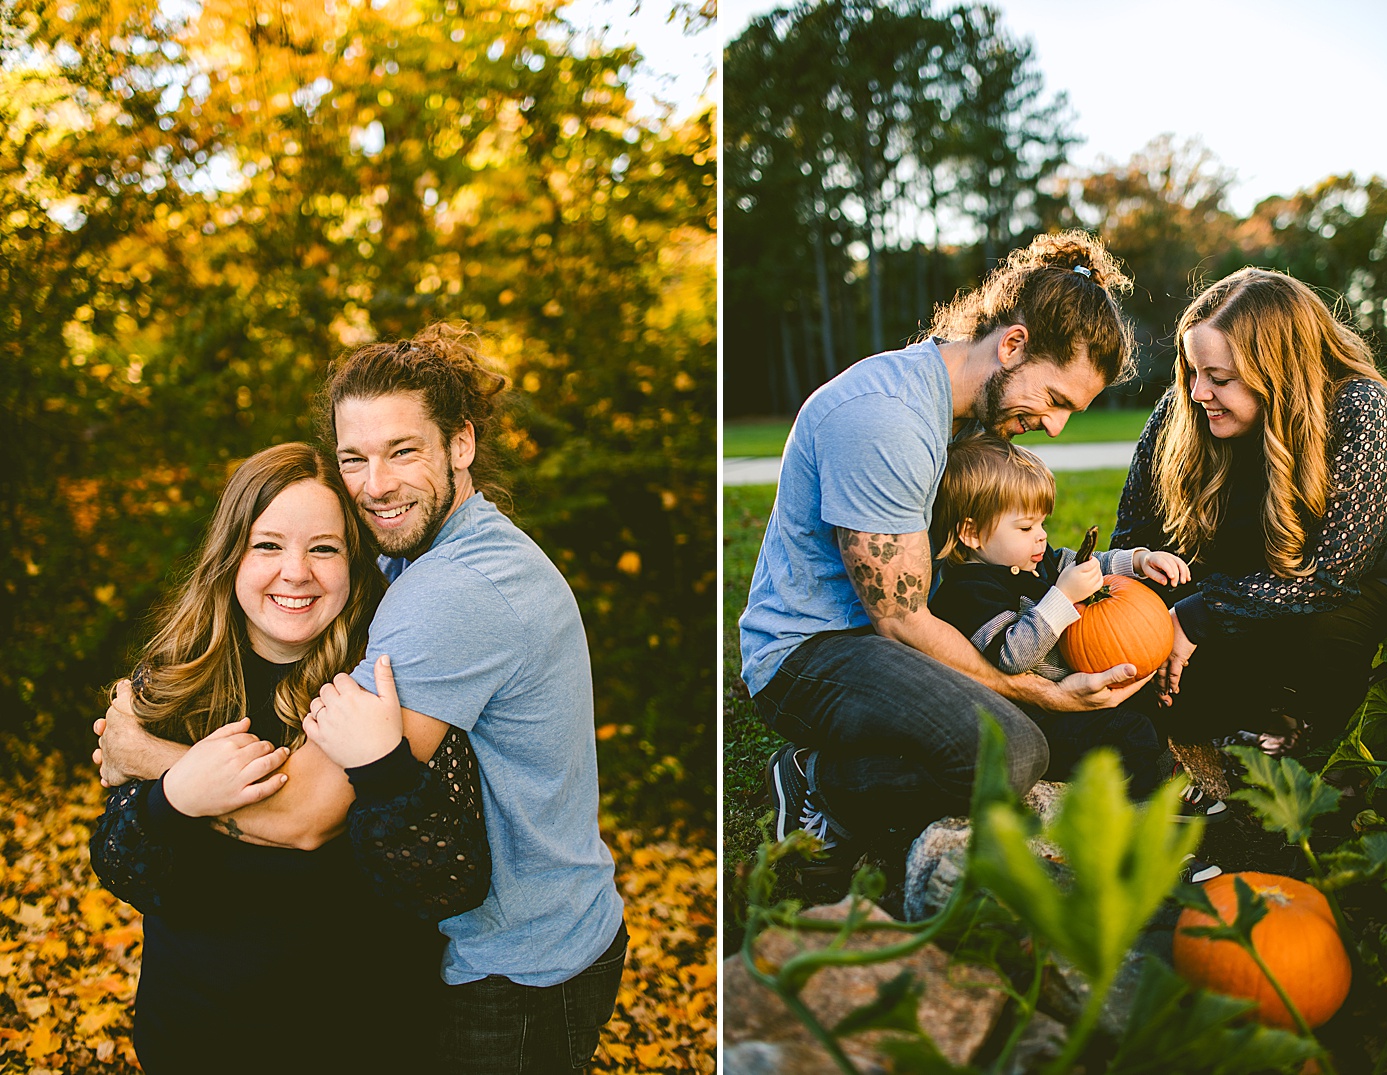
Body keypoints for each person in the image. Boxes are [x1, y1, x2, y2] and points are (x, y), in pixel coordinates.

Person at [98, 324, 626, 1074]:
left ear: (461, 444)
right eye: (355, 457)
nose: (376, 482)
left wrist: (146, 759)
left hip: (515, 963)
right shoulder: (415, 560)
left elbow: (306, 815)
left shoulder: (447, 593)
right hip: (526, 930)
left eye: (403, 451)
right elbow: (128, 859)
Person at [739, 230, 1148, 866]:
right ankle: (815, 778)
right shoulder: (887, 418)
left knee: (1069, 730)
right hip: (813, 651)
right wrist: (1042, 693)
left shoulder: (966, 420)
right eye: (1055, 399)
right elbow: (901, 622)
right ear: (1013, 345)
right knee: (1013, 753)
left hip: (888, 639)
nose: (1057, 426)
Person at [89, 442, 487, 1074]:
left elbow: (449, 880)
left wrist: (382, 770)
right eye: (268, 545)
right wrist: (172, 800)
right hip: (193, 1039)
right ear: (231, 557)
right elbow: (121, 865)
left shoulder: (392, 683)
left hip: (362, 1047)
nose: (296, 572)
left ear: (356, 561)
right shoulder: (172, 682)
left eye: (323, 548)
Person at [1112, 268, 1387, 796]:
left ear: (1279, 369)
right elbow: (1132, 538)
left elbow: (1329, 574)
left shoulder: (1359, 409)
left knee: (1325, 635)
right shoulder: (1179, 413)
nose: (1197, 391)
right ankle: (1239, 727)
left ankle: (1317, 732)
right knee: (1140, 668)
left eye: (1220, 378)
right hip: (1220, 593)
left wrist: (1197, 616)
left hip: (1334, 601)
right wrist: (1141, 619)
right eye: (1191, 370)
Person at [927, 432, 1190, 802]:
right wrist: (1061, 596)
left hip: (1069, 698)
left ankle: (1163, 770)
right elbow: (1013, 656)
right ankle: (1151, 802)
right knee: (1128, 732)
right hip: (1034, 720)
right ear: (971, 532)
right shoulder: (967, 593)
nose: (1041, 537)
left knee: (1148, 700)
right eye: (1025, 527)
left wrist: (1138, 561)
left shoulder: (1031, 557)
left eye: (1041, 524)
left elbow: (1087, 566)